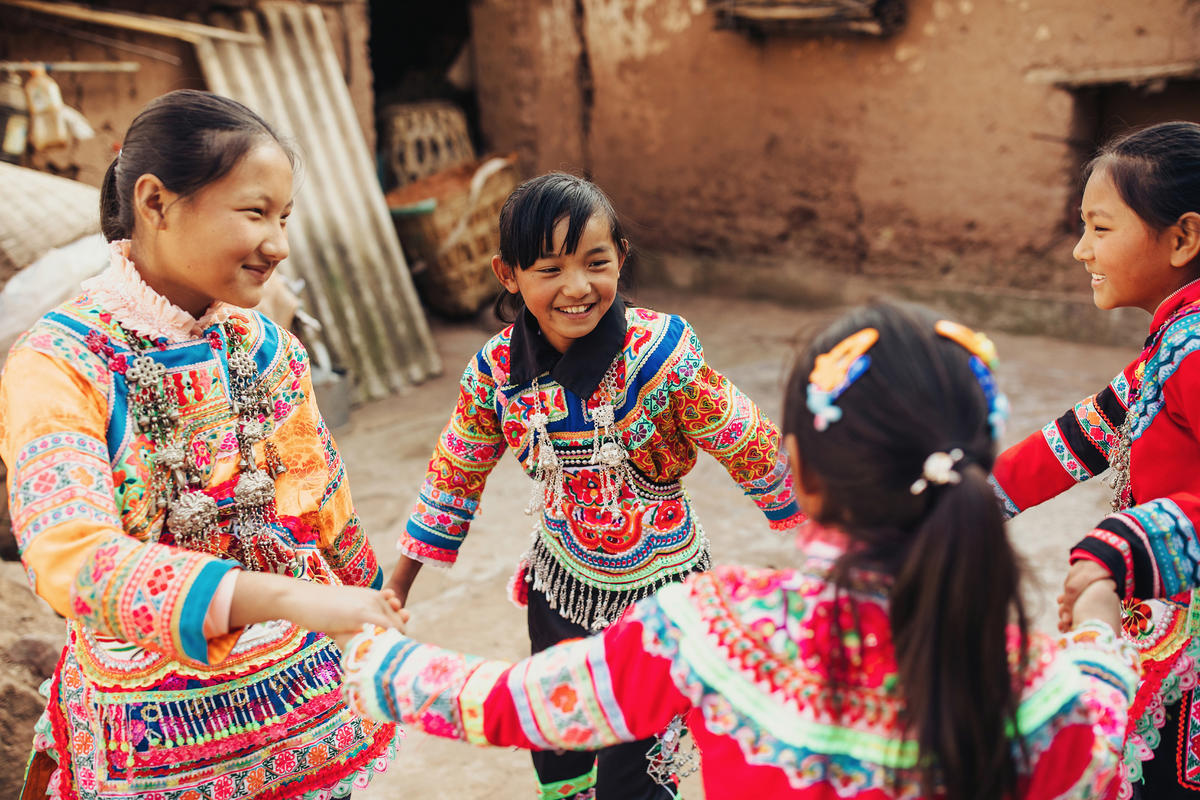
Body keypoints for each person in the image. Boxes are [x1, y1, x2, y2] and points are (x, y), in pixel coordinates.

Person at [343, 302, 1138, 799]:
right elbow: (1102, 719)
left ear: (797, 468)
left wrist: (371, 654)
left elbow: (513, 704)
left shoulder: (716, 627)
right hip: (567, 565)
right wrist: (1099, 623)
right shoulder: (1026, 682)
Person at [0, 89, 408, 800]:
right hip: (156, 742)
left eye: (284, 217)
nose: (278, 244)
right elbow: (72, 557)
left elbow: (322, 500)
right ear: (156, 202)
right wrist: (288, 597)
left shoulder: (266, 345)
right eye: (255, 213)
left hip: (306, 712)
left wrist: (372, 607)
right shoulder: (59, 362)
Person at [383, 171, 803, 799]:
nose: (577, 288)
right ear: (508, 275)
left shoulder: (665, 357)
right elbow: (455, 472)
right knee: (558, 745)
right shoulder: (497, 371)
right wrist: (396, 589)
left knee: (633, 773)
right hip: (560, 589)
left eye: (595, 263)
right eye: (549, 270)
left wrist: (840, 541)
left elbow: (754, 447)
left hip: (662, 598)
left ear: (620, 260)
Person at [994, 120, 1200, 799]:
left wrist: (1123, 542)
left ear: (1183, 238)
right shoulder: (1172, 343)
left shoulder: (1195, 353)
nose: (1081, 250)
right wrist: (965, 497)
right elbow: (1081, 436)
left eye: (1101, 229)